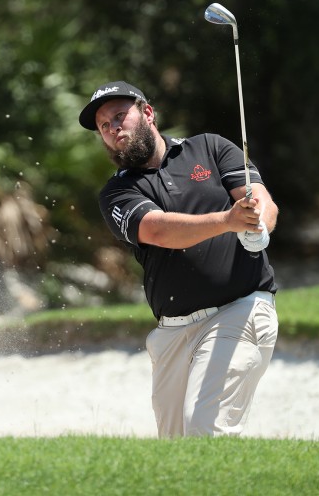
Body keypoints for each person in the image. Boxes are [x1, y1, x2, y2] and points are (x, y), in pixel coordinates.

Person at [79, 80, 279, 438]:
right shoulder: (117, 192)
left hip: (240, 309)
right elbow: (157, 230)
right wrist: (228, 221)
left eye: (119, 116)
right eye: (104, 126)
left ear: (148, 113)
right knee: (176, 448)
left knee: (205, 430)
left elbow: (260, 198)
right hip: (173, 332)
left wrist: (258, 224)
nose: (113, 129)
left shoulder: (209, 147)